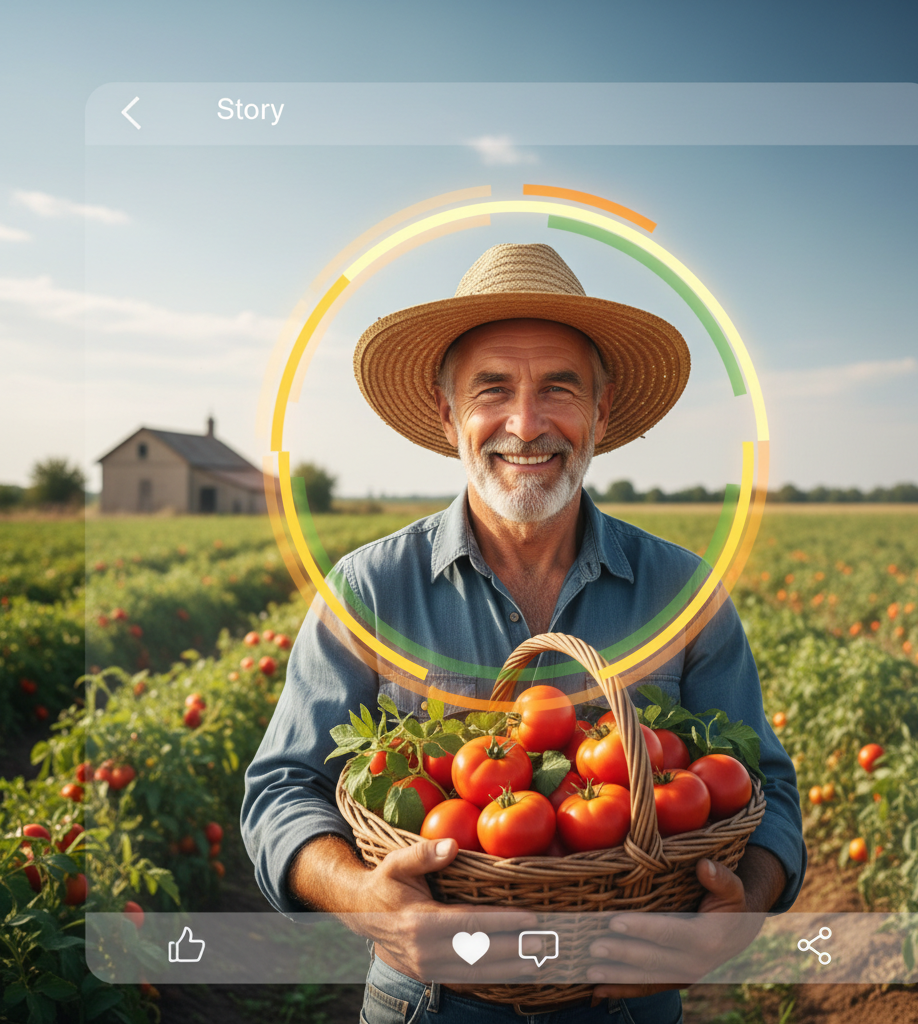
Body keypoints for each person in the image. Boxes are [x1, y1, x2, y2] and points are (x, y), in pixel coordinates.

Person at [241, 243, 806, 1022]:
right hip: (430, 1001)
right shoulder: (369, 590)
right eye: (492, 390)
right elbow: (281, 790)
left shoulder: (685, 595)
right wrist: (365, 899)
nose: (526, 423)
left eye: (560, 390)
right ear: (449, 416)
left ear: (601, 414)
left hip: (629, 1002)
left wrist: (746, 908)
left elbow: (768, 790)